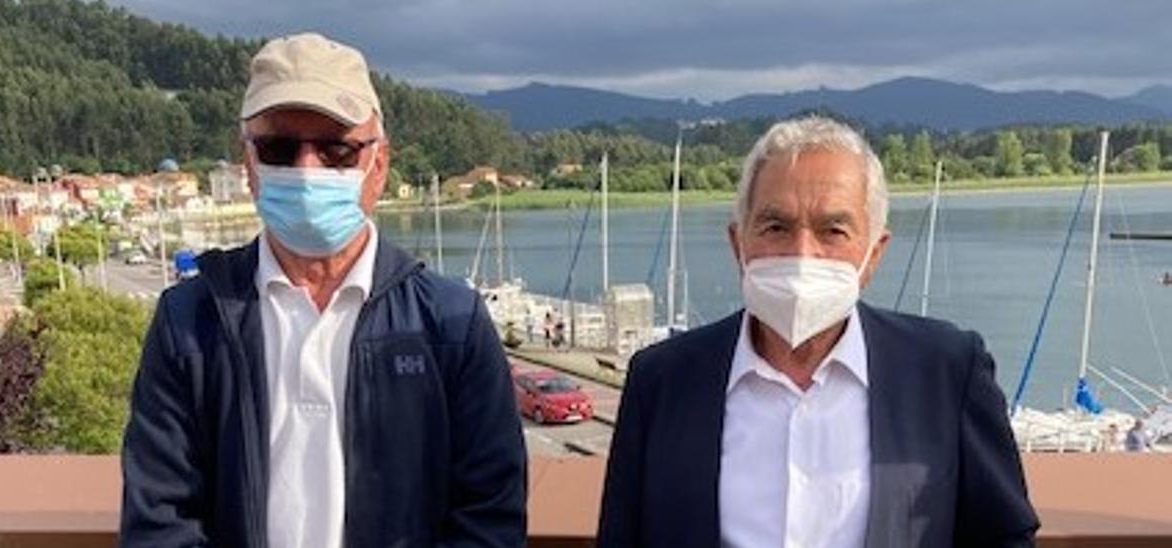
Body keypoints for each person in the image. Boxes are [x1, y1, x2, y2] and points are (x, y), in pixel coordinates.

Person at [120, 33, 526, 548]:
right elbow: (159, 518)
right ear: (248, 165)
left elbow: (489, 515)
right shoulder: (189, 321)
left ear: (377, 164)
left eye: (336, 149)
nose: (307, 169)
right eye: (279, 147)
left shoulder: (451, 323)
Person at [597, 116, 1038, 547]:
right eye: (776, 227)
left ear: (874, 252)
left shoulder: (947, 371)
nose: (803, 253)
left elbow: (1002, 534)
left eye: (833, 230)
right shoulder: (661, 380)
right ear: (738, 244)